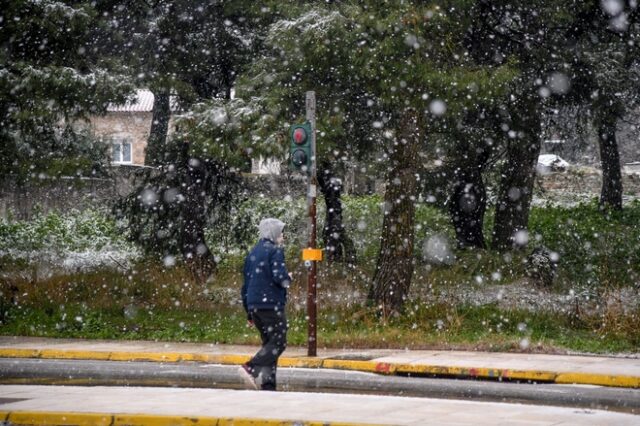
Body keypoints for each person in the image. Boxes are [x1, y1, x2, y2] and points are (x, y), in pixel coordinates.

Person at [239, 217, 291, 391]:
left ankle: (268, 385)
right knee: (279, 342)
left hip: (255, 306)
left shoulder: (252, 253)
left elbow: (245, 285)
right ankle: (251, 367)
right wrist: (288, 278)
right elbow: (279, 276)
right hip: (270, 304)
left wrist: (249, 312)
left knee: (269, 344)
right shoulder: (275, 250)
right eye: (281, 231)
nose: (282, 235)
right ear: (273, 232)